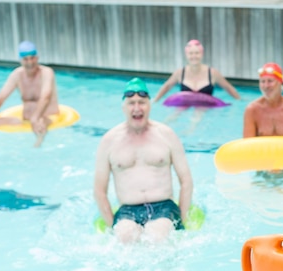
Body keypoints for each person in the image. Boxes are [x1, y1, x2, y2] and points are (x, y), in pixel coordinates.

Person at [94, 77, 193, 244]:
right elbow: (99, 190)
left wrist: (181, 221)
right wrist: (112, 226)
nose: (137, 108)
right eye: (131, 103)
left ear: (149, 105)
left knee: (156, 237)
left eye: (142, 102)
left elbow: (186, 180)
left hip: (164, 207)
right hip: (127, 210)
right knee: (126, 237)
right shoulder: (109, 141)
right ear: (123, 107)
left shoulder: (166, 135)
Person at [0, 41, 59, 147]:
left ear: (37, 58)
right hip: (26, 121)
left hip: (47, 117)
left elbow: (45, 96)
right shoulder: (17, 75)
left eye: (32, 58)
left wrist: (35, 117)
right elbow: (1, 96)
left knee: (40, 123)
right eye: (26, 59)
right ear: (20, 60)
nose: (30, 62)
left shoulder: (47, 72)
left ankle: (37, 147)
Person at [152, 39, 241, 103]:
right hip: (184, 105)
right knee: (173, 116)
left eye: (197, 53)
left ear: (202, 54)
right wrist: (155, 100)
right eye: (191, 53)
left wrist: (240, 100)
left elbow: (228, 88)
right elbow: (166, 86)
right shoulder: (180, 73)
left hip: (206, 107)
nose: (194, 56)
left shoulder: (212, 73)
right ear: (186, 55)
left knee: (197, 118)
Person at [243, 62, 283, 138]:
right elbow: (248, 145)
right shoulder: (252, 110)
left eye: (270, 81)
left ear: (280, 82)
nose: (266, 86)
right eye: (263, 81)